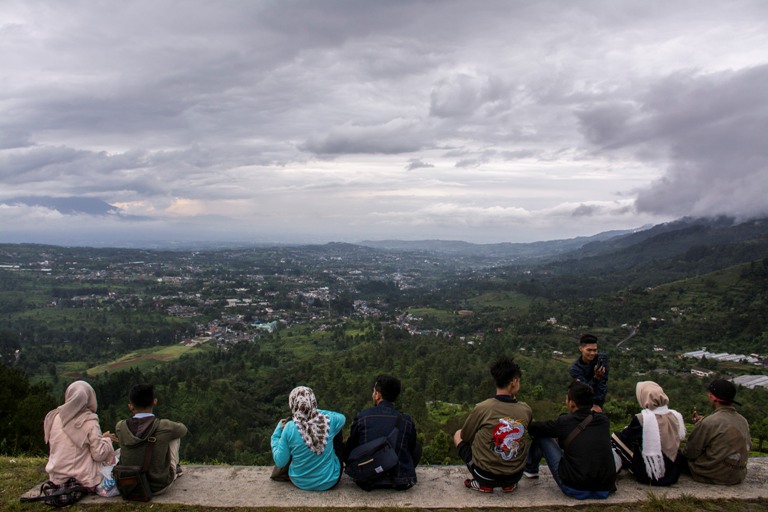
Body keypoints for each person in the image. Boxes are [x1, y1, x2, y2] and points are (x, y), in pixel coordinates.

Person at [524, 381, 616, 500]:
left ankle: (530, 469)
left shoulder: (565, 422)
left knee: (542, 436)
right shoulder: (603, 421)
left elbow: (535, 428)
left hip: (575, 487)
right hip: (604, 488)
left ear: (572, 403)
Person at [453, 356, 532, 493]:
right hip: (514, 476)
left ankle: (481, 484)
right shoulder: (525, 409)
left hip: (484, 476)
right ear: (514, 381)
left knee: (458, 434)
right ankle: (508, 485)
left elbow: (465, 437)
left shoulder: (483, 408)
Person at [343, 375, 422, 491]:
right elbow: (411, 447)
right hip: (400, 481)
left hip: (366, 479)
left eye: (374, 391)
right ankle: (398, 469)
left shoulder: (363, 417)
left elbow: (351, 446)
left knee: (347, 444)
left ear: (378, 394)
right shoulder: (406, 420)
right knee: (417, 447)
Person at [44, 380, 117, 491]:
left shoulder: (54, 417)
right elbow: (99, 455)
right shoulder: (89, 421)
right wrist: (107, 440)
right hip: (85, 480)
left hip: (57, 478)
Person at [115, 384, 188, 495]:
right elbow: (183, 430)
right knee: (174, 436)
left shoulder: (120, 427)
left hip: (129, 485)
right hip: (158, 487)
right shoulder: (164, 426)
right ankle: (174, 469)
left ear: (131, 406)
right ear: (154, 401)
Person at [271, 386, 346, 491]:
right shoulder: (330, 420)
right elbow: (342, 418)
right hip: (330, 480)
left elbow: (280, 462)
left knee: (292, 443)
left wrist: (276, 435)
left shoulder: (289, 427)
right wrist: (314, 410)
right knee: (336, 430)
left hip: (300, 481)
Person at [611, 381, 686, 486]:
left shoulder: (642, 418)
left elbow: (625, 437)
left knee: (615, 438)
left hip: (650, 475)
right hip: (673, 474)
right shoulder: (675, 415)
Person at [683, 379, 751, 485]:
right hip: (738, 475)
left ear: (713, 397)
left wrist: (701, 426)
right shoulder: (743, 420)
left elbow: (690, 453)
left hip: (714, 474)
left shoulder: (709, 422)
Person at [568, 333, 608, 412]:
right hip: (582, 402)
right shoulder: (575, 369)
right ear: (581, 349)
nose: (592, 353)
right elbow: (584, 389)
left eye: (595, 350)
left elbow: (603, 383)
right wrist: (596, 378)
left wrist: (598, 404)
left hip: (598, 400)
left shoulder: (602, 359)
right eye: (589, 350)